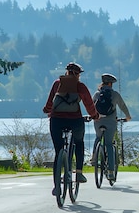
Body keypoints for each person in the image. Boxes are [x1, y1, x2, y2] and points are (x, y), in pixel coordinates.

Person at [43, 62, 99, 196]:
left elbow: (50, 102)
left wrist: (47, 110)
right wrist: (95, 115)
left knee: (58, 152)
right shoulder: (80, 86)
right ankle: (79, 173)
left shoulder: (58, 83)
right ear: (78, 74)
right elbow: (88, 103)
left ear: (66, 72)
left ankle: (57, 187)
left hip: (56, 120)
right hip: (75, 120)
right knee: (79, 142)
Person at [91, 73, 132, 180]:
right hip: (111, 122)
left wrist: (92, 116)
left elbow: (91, 105)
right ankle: (110, 172)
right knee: (109, 144)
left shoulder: (97, 94)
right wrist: (127, 116)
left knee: (98, 137)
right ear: (110, 84)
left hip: (98, 121)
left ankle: (94, 158)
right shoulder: (115, 94)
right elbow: (122, 106)